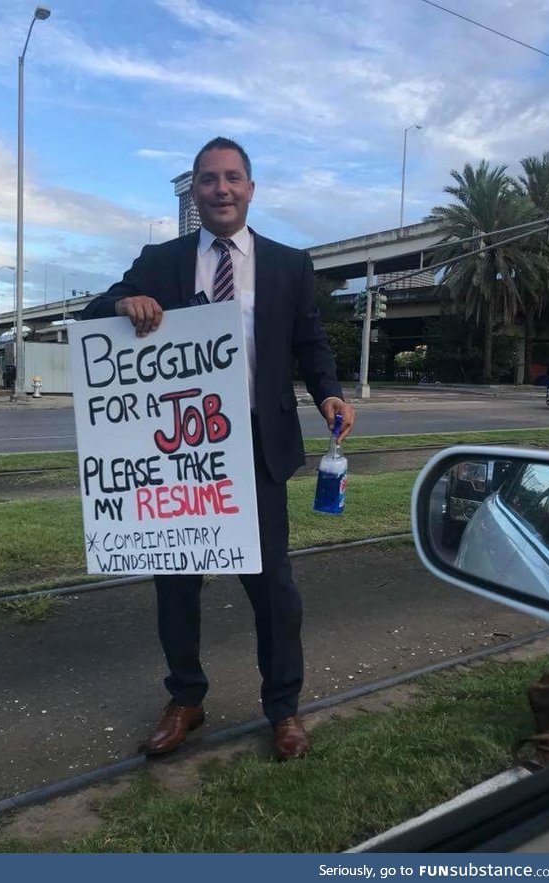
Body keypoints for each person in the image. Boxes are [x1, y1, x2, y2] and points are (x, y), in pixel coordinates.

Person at [82, 137, 355, 760]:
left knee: (272, 588)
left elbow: (310, 340)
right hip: (181, 450)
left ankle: (283, 709)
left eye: (233, 178)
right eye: (209, 180)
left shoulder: (290, 264)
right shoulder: (161, 259)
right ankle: (186, 699)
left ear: (251, 188)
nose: (221, 189)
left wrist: (329, 394)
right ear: (195, 191)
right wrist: (125, 303)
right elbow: (97, 310)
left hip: (259, 445)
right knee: (176, 583)